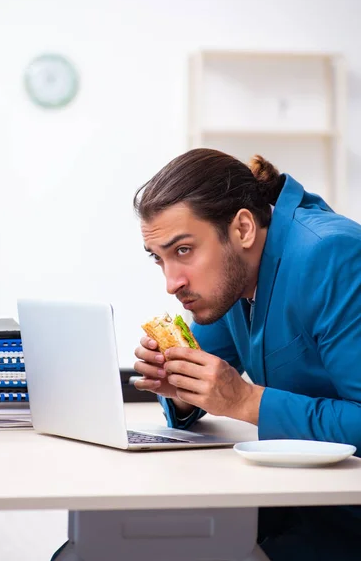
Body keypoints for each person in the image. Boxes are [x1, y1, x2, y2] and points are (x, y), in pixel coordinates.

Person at [132, 148, 361, 560]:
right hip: (291, 494)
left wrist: (245, 401)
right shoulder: (232, 282)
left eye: (183, 251)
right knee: (113, 541)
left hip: (345, 517)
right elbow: (207, 371)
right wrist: (182, 390)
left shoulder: (334, 256)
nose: (171, 282)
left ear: (242, 228)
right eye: (159, 259)